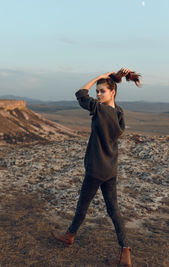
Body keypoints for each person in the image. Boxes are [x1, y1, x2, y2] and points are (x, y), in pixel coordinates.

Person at [52, 67, 141, 267]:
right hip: (110, 168)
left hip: (96, 169)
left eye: (102, 91)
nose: (98, 94)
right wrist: (107, 80)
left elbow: (80, 94)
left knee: (83, 205)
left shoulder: (100, 110)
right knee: (113, 209)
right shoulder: (118, 111)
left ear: (113, 92)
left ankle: (70, 235)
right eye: (97, 91)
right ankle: (125, 250)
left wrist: (98, 77)